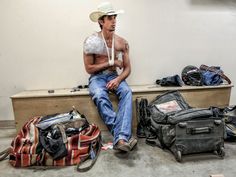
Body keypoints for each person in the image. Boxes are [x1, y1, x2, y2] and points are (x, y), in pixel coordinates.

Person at [83, 2, 137, 152]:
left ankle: (120, 138)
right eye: (110, 18)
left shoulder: (122, 42)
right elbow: (89, 68)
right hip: (97, 78)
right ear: (101, 21)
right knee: (99, 95)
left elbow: (127, 69)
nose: (114, 21)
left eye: (115, 17)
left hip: (114, 76)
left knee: (127, 92)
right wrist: (111, 62)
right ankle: (122, 137)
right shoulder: (91, 42)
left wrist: (118, 79)